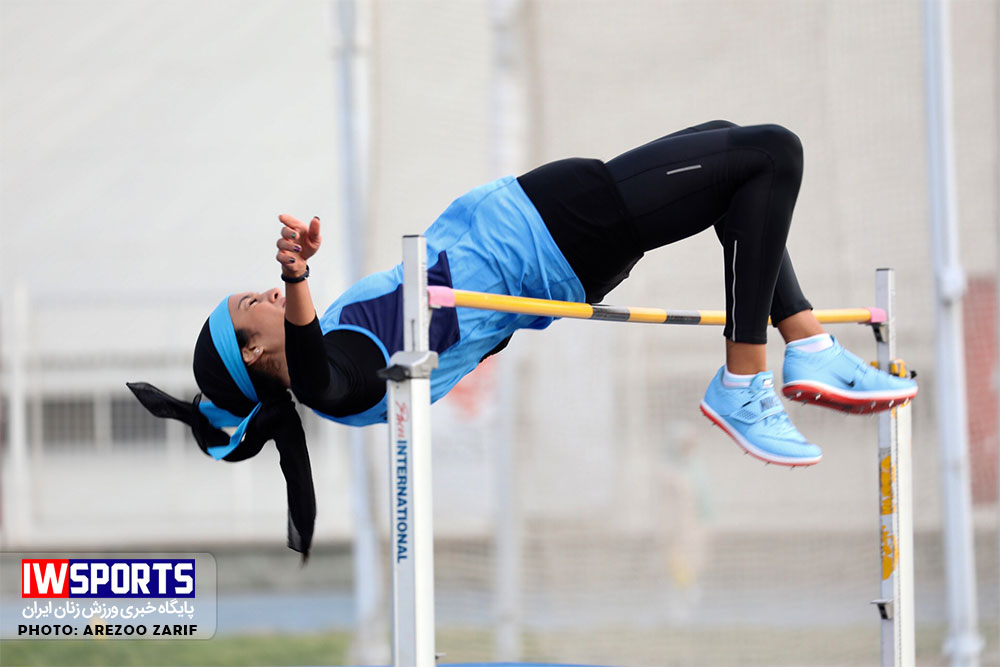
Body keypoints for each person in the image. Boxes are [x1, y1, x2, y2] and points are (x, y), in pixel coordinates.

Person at [129, 120, 918, 556]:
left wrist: (307, 291)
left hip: (544, 221)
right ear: (260, 354)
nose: (266, 293)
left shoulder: (335, 337)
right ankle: (746, 381)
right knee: (770, 156)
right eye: (251, 305)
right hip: (554, 239)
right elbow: (323, 379)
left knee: (735, 159)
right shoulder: (342, 372)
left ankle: (805, 339)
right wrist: (298, 276)